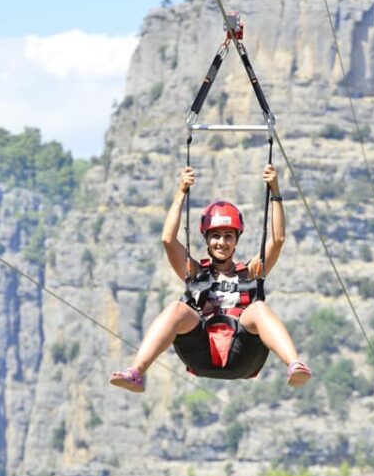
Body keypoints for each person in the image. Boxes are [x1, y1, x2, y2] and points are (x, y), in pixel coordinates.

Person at [109, 164, 312, 393]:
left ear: (236, 240)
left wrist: (275, 191)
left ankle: (294, 364)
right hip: (201, 353)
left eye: (228, 236)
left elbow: (278, 240)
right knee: (178, 308)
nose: (222, 242)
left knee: (259, 308)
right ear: (206, 240)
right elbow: (168, 240)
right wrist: (181, 192)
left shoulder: (251, 272)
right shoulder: (195, 272)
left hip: (242, 356)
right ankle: (136, 372)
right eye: (215, 236)